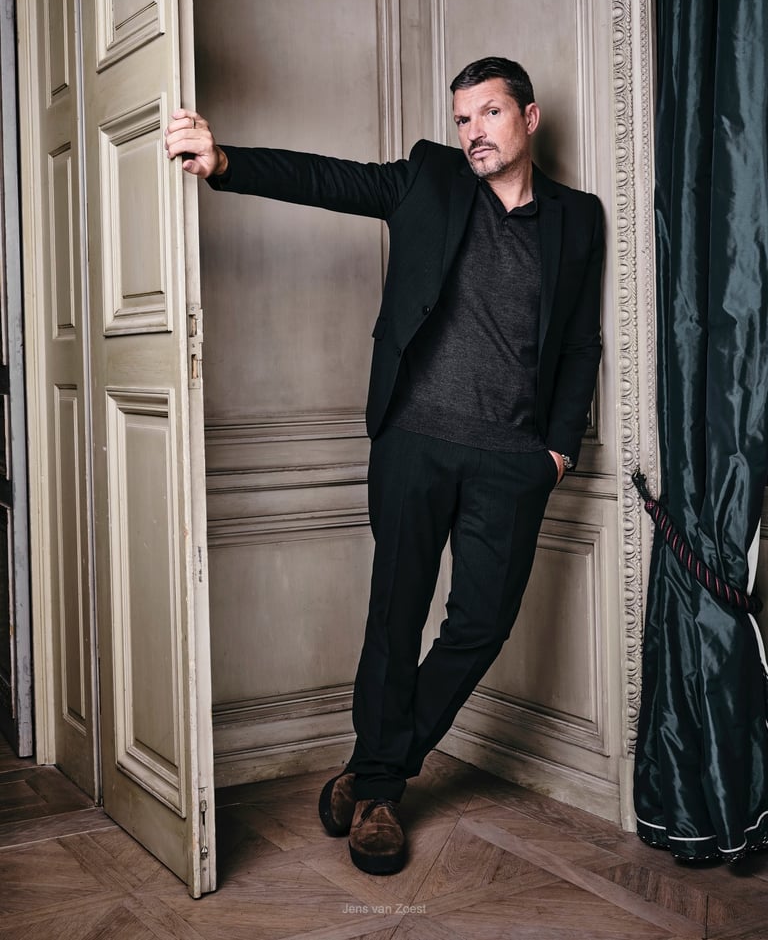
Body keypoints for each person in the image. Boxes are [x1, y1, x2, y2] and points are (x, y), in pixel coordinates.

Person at [165, 56, 604, 876]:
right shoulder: (430, 180)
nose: (472, 132)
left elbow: (581, 341)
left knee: (481, 623)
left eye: (489, 113)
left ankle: (375, 766)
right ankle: (378, 797)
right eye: (462, 117)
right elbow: (328, 180)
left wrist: (556, 450)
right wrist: (224, 162)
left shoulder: (578, 218)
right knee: (396, 617)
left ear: (530, 117)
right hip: (414, 441)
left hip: (513, 459)